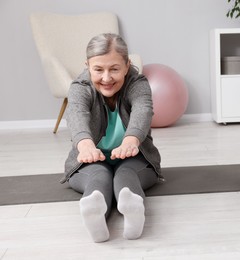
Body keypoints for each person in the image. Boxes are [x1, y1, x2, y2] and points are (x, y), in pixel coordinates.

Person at [60, 33, 162, 243]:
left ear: (127, 65)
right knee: (100, 176)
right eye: (98, 69)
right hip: (91, 160)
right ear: (87, 65)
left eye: (114, 69)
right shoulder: (80, 87)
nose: (106, 78)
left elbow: (143, 111)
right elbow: (76, 115)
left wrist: (131, 141)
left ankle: (133, 209)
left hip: (134, 157)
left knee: (125, 174)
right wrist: (86, 146)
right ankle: (93, 208)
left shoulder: (138, 83)